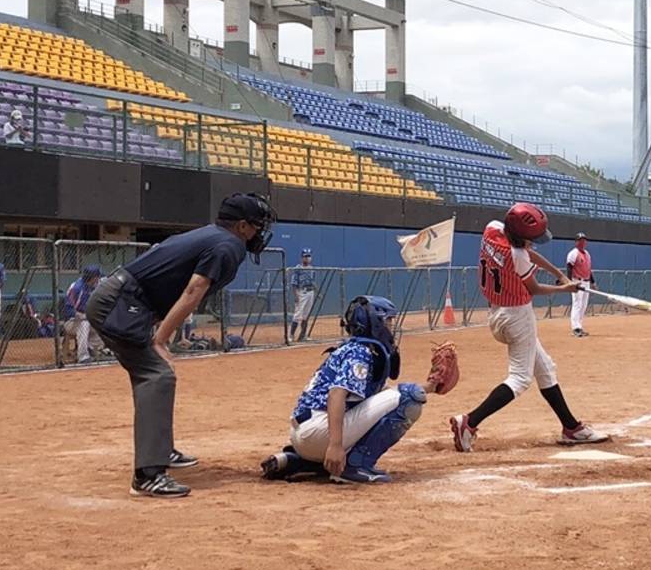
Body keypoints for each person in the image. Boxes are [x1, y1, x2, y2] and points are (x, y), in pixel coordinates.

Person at [85, 192, 276, 498]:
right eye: (256, 225)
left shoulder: (214, 237)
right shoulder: (228, 245)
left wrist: (158, 330)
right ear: (242, 226)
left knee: (150, 375)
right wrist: (160, 339)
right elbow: (193, 289)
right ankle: (148, 475)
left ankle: (159, 450)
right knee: (157, 374)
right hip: (120, 302)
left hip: (127, 302)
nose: (258, 232)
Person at [450, 202, 609, 452]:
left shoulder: (492, 229)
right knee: (520, 378)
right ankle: (469, 422)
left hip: (497, 313)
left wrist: (559, 274)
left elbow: (529, 252)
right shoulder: (518, 255)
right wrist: (564, 288)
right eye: (531, 238)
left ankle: (571, 427)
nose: (533, 243)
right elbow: (534, 289)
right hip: (517, 318)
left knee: (545, 369)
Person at [260, 296, 448, 484]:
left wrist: (430, 387)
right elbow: (336, 395)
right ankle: (355, 466)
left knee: (406, 395)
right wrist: (335, 445)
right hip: (319, 431)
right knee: (410, 398)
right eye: (387, 320)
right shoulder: (361, 352)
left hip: (306, 434)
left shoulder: (356, 349)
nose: (391, 326)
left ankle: (300, 462)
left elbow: (382, 396)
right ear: (373, 323)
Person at [63, 265, 105, 363]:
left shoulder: (96, 286)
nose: (98, 279)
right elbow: (67, 309)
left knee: (105, 323)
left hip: (88, 318)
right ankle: (83, 357)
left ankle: (90, 347)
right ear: (92, 278)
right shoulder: (77, 288)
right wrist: (80, 315)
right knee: (84, 324)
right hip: (71, 322)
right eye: (97, 277)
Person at [565, 232, 596, 337]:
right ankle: (575, 327)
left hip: (586, 281)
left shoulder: (587, 254)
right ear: (576, 242)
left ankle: (580, 326)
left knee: (583, 305)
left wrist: (593, 282)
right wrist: (569, 282)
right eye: (580, 240)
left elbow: (589, 269)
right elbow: (569, 267)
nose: (582, 242)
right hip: (577, 281)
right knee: (577, 304)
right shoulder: (573, 253)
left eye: (584, 240)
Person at [289, 248, 316, 341]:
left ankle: (303, 335)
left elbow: (313, 282)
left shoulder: (312, 269)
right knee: (297, 314)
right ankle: (291, 335)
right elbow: (294, 283)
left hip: (310, 292)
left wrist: (317, 291)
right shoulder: (298, 268)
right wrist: (296, 295)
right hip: (302, 292)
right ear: (302, 258)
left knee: (306, 315)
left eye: (309, 256)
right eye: (305, 256)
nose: (307, 258)